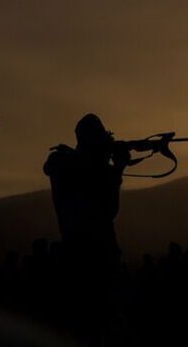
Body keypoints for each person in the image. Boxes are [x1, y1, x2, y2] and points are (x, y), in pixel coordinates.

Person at [43, 114, 133, 270]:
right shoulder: (65, 163)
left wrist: (114, 168)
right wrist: (116, 169)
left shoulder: (82, 166)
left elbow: (108, 208)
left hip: (90, 254)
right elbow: (105, 210)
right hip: (89, 257)